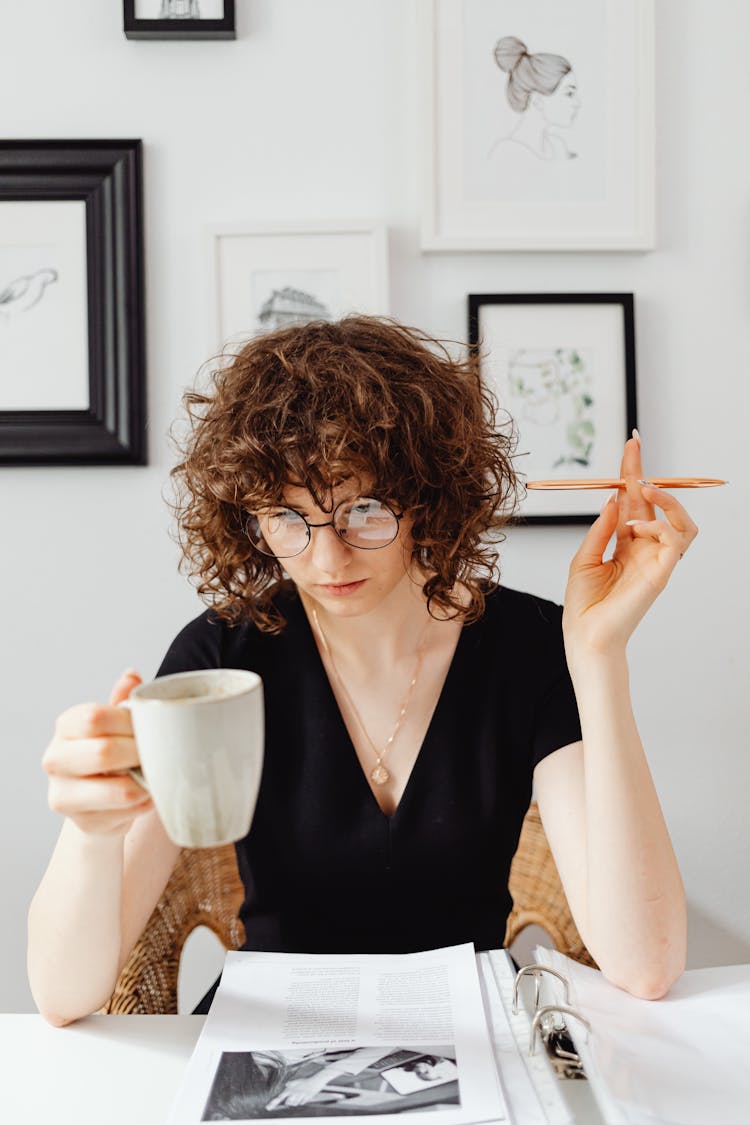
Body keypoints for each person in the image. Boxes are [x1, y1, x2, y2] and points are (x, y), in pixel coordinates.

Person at [27, 315, 697, 1027]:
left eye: (364, 510)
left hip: (473, 1044)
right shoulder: (222, 655)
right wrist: (91, 832)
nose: (327, 560)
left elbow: (645, 965)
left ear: (429, 499)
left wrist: (597, 654)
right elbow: (62, 995)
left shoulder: (527, 644)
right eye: (287, 517)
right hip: (267, 1047)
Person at [489, 36, 580, 161]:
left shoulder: (557, 146)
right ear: (538, 100)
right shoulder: (507, 154)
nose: (577, 103)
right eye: (569, 94)